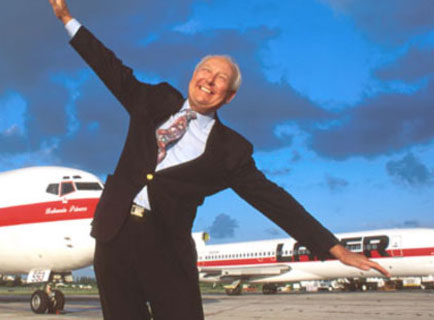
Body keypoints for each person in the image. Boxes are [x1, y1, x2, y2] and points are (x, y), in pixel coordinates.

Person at [48, 0, 390, 319]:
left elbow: (274, 201)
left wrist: (332, 247)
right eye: (205, 71)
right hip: (114, 235)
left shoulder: (231, 150)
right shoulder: (153, 100)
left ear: (229, 96)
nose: (209, 80)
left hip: (166, 248)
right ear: (193, 76)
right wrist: (67, 18)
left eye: (220, 78)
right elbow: (110, 69)